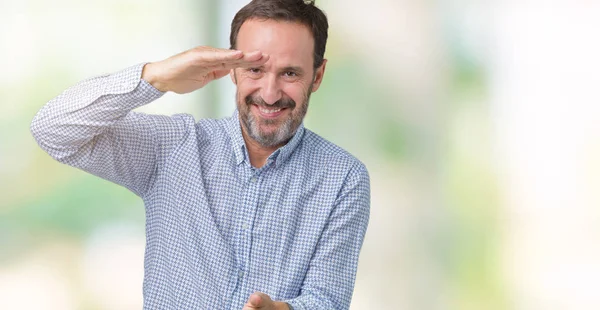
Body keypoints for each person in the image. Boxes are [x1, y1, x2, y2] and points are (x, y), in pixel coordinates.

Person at [30, 0, 370, 309]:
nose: (269, 94)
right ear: (233, 69)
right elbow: (52, 129)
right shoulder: (174, 147)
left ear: (317, 75)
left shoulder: (343, 177)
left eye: (290, 73)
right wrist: (156, 77)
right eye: (255, 69)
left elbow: (327, 299)